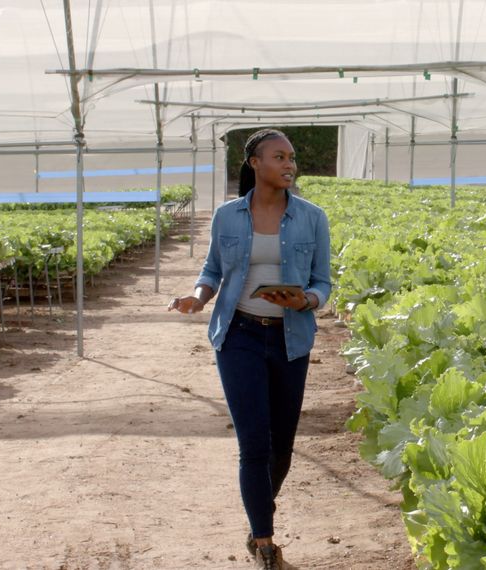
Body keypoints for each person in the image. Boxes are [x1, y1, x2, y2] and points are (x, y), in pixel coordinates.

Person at [168, 129, 331, 569]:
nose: (289, 164)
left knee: (283, 448)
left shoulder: (312, 217)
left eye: (292, 157)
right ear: (255, 163)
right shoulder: (227, 216)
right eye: (279, 157)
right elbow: (212, 268)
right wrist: (198, 297)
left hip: (290, 338)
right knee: (254, 443)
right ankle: (264, 539)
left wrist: (306, 300)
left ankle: (259, 509)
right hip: (238, 335)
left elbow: (323, 281)